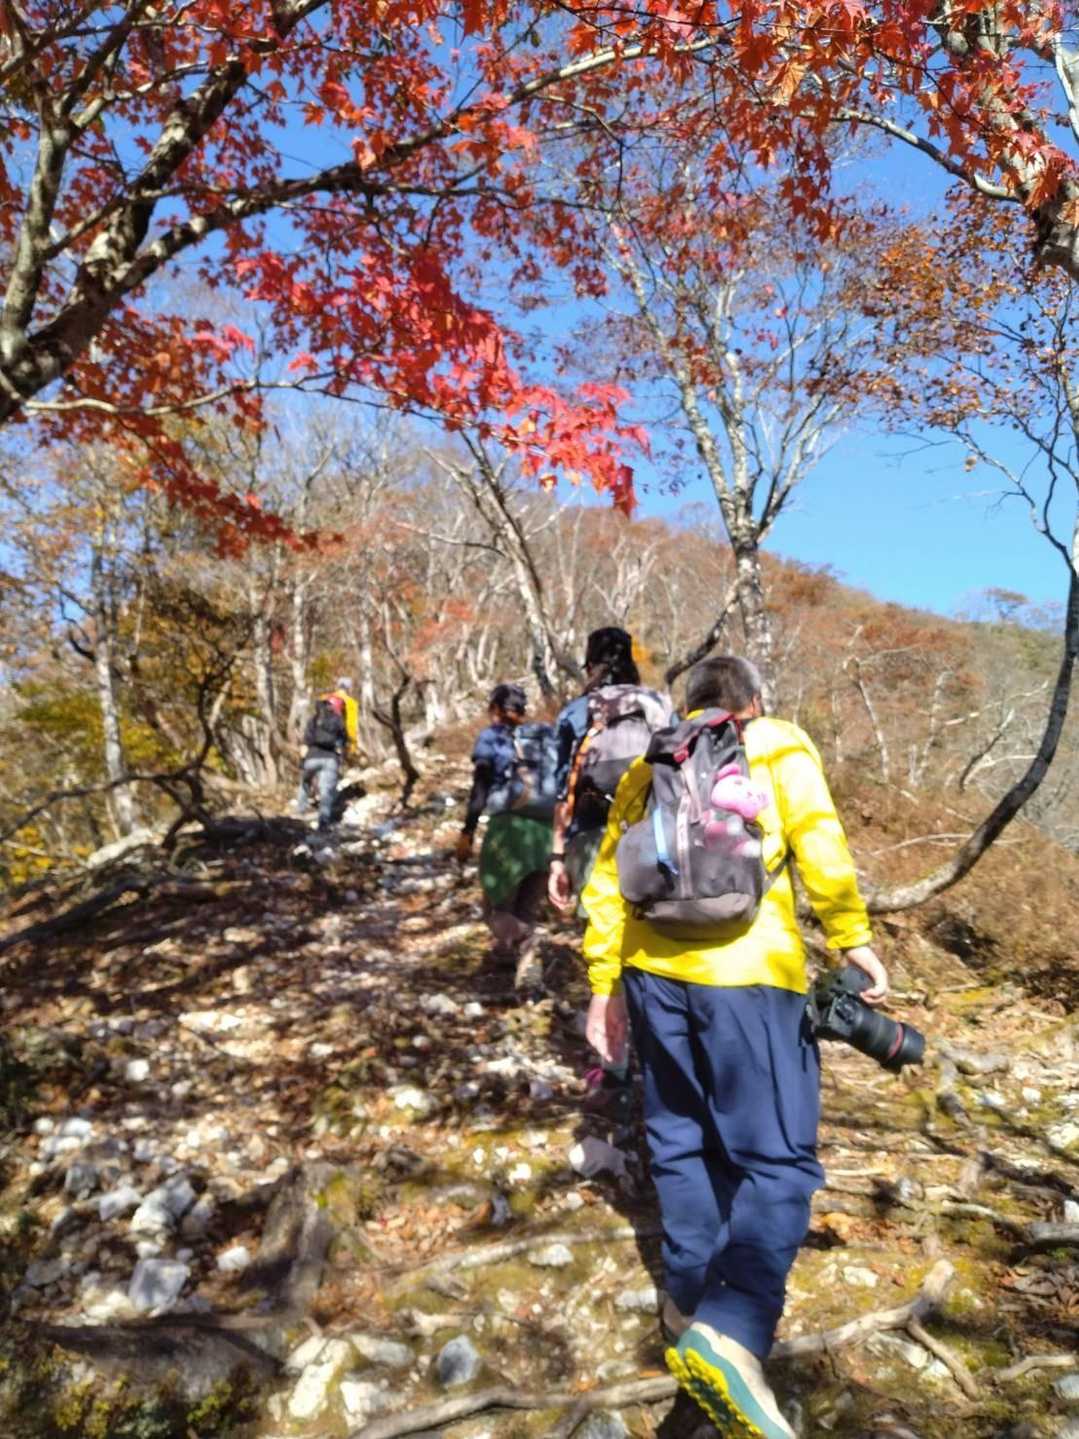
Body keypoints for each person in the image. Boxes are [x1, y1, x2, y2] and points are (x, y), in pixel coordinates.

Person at [580, 655, 887, 1439]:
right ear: (753, 700)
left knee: (679, 1143)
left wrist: (602, 985)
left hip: (652, 978)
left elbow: (605, 883)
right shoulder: (777, 742)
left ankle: (688, 1310)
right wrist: (850, 938)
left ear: (691, 708)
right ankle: (733, 1330)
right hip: (751, 978)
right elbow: (818, 840)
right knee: (777, 1161)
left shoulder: (647, 766)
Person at [456, 683, 552, 994]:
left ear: (495, 708)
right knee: (526, 907)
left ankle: (527, 944)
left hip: (509, 831)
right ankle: (515, 966)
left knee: (496, 908)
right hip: (546, 832)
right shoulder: (544, 738)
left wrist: (468, 831)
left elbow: (480, 787)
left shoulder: (492, 737)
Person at [295, 691, 347, 831]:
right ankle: (323, 820)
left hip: (312, 757)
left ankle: (300, 811)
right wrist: (340, 757)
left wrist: (302, 760)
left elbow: (306, 742)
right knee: (326, 791)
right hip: (330, 759)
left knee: (305, 783)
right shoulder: (338, 720)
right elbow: (343, 742)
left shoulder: (313, 720)